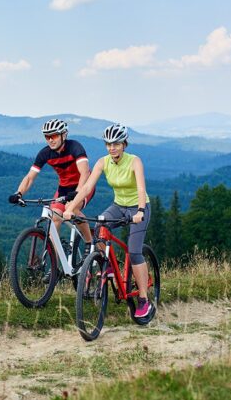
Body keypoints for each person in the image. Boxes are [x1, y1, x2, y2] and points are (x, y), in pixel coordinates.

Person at [63, 122, 154, 319]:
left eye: (116, 143)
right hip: (118, 206)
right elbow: (86, 188)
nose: (112, 147)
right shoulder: (103, 162)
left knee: (134, 251)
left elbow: (140, 188)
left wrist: (139, 211)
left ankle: (144, 300)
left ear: (124, 144)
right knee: (99, 228)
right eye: (109, 144)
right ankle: (108, 266)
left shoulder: (134, 161)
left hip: (139, 207)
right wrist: (70, 208)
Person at [8, 118, 94, 243]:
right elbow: (30, 177)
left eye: (53, 136)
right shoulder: (45, 153)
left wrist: (78, 192)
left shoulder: (75, 147)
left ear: (63, 135)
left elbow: (85, 173)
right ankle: (55, 259)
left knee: (72, 208)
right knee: (54, 218)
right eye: (47, 137)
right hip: (64, 188)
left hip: (84, 184)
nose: (50, 140)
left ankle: (89, 243)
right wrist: (19, 193)